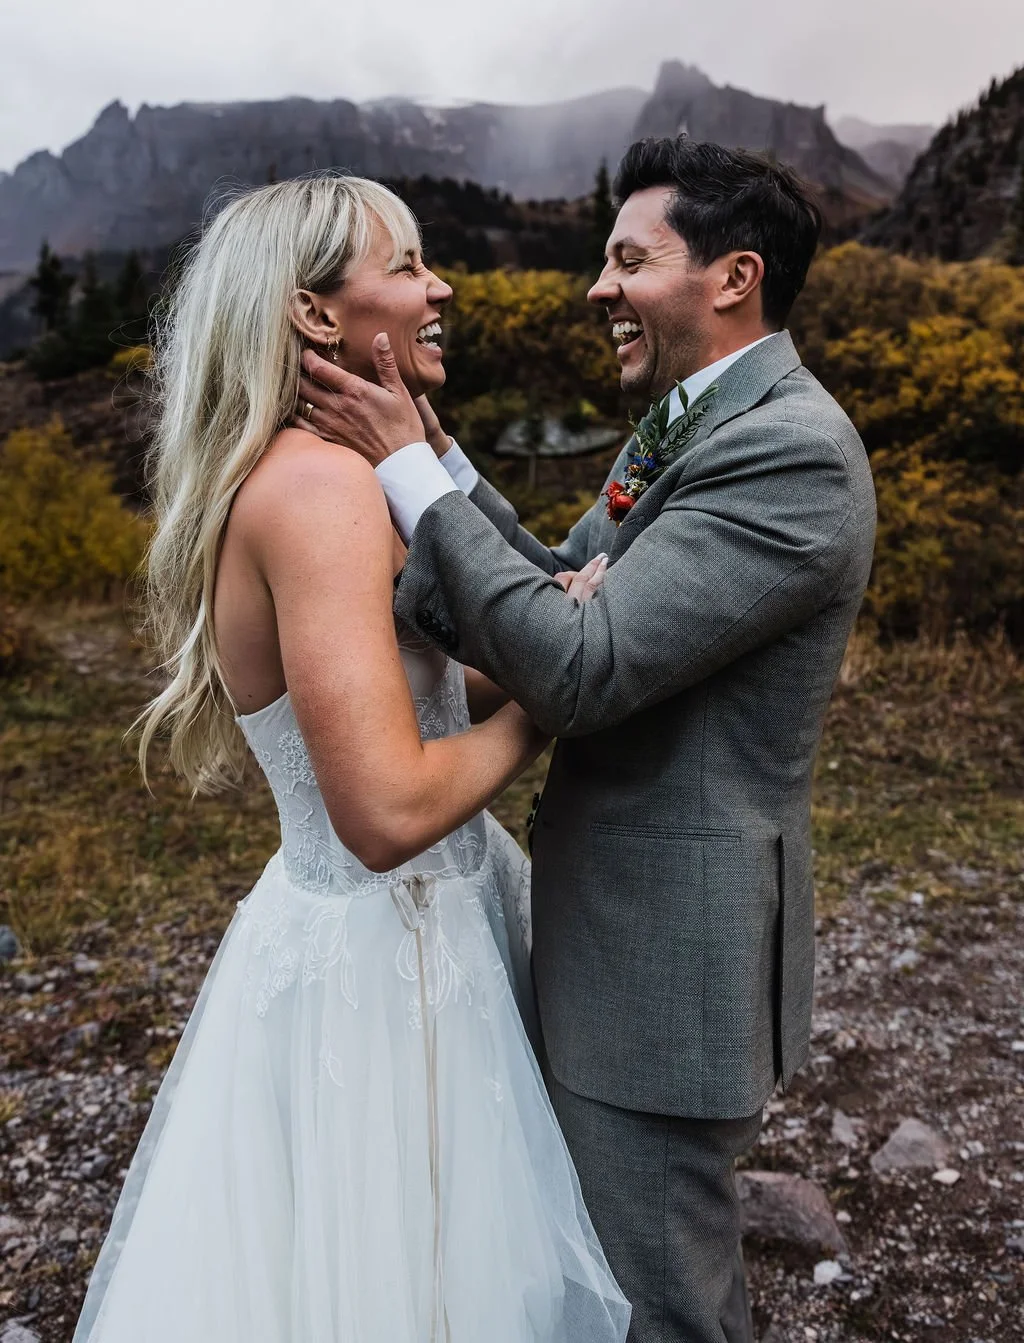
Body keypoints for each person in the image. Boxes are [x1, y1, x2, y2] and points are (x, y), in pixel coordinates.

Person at [296, 138, 878, 1343]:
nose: (597, 287)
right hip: (613, 936)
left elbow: (577, 661)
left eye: (628, 260)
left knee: (658, 1306)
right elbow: (557, 578)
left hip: (667, 964)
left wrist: (402, 472)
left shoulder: (791, 452)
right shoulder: (687, 420)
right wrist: (434, 456)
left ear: (733, 277)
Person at [72, 174, 630, 1343]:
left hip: (422, 931)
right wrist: (554, 694)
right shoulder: (320, 491)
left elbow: (424, 692)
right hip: (394, 967)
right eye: (408, 264)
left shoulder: (331, 473)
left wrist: (546, 631)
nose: (441, 287)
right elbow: (381, 810)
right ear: (315, 312)